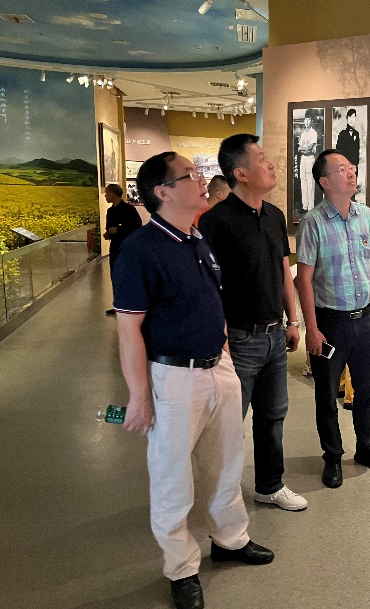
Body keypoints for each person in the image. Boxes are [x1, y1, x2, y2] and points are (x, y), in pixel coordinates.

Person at [112, 152, 274, 609]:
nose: (203, 180)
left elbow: (209, 299)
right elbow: (128, 330)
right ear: (163, 191)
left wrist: (223, 348)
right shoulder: (141, 250)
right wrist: (138, 397)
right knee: (172, 478)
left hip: (217, 367)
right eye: (190, 175)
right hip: (175, 377)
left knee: (226, 463)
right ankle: (181, 568)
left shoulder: (196, 237)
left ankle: (230, 539)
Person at [199, 134, 307, 512]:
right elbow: (207, 285)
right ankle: (222, 499)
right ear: (240, 173)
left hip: (276, 335)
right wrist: (221, 338)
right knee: (229, 424)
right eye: (261, 158)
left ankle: (269, 486)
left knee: (273, 416)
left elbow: (283, 270)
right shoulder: (215, 221)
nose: (271, 163)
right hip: (239, 339)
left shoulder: (275, 216)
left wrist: (293, 321)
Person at [295, 149, 370, 489]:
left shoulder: (365, 215)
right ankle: (333, 457)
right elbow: (303, 279)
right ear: (324, 182)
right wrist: (311, 328)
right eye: (342, 169)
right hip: (331, 323)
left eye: (351, 167)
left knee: (367, 390)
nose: (351, 173)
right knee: (326, 396)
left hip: (367, 320)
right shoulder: (313, 222)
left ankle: (367, 449)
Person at [103, 183, 141, 315]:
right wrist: (108, 233)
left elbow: (137, 226)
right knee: (115, 276)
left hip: (127, 249)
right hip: (115, 248)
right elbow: (110, 228)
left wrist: (119, 229)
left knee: (127, 276)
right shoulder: (110, 211)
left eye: (106, 193)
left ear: (113, 194)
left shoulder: (129, 210)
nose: (105, 196)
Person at [298, 116, 318, 212]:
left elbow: (309, 149)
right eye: (305, 119)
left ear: (311, 121)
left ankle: (310, 207)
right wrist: (304, 149)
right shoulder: (303, 134)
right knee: (303, 181)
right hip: (303, 159)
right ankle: (304, 206)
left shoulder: (313, 133)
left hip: (310, 158)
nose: (306, 121)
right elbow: (299, 148)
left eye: (309, 119)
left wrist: (305, 148)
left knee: (310, 182)